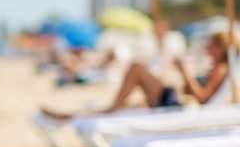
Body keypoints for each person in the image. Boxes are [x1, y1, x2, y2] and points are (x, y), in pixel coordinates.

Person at [41, 31, 232, 121]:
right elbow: (195, 93)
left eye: (212, 45)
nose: (207, 48)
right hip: (175, 100)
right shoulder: (216, 68)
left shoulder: (221, 69)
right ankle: (73, 114)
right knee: (129, 102)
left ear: (223, 48)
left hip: (175, 105)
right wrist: (182, 81)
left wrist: (186, 73)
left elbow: (204, 100)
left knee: (137, 68)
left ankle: (106, 110)